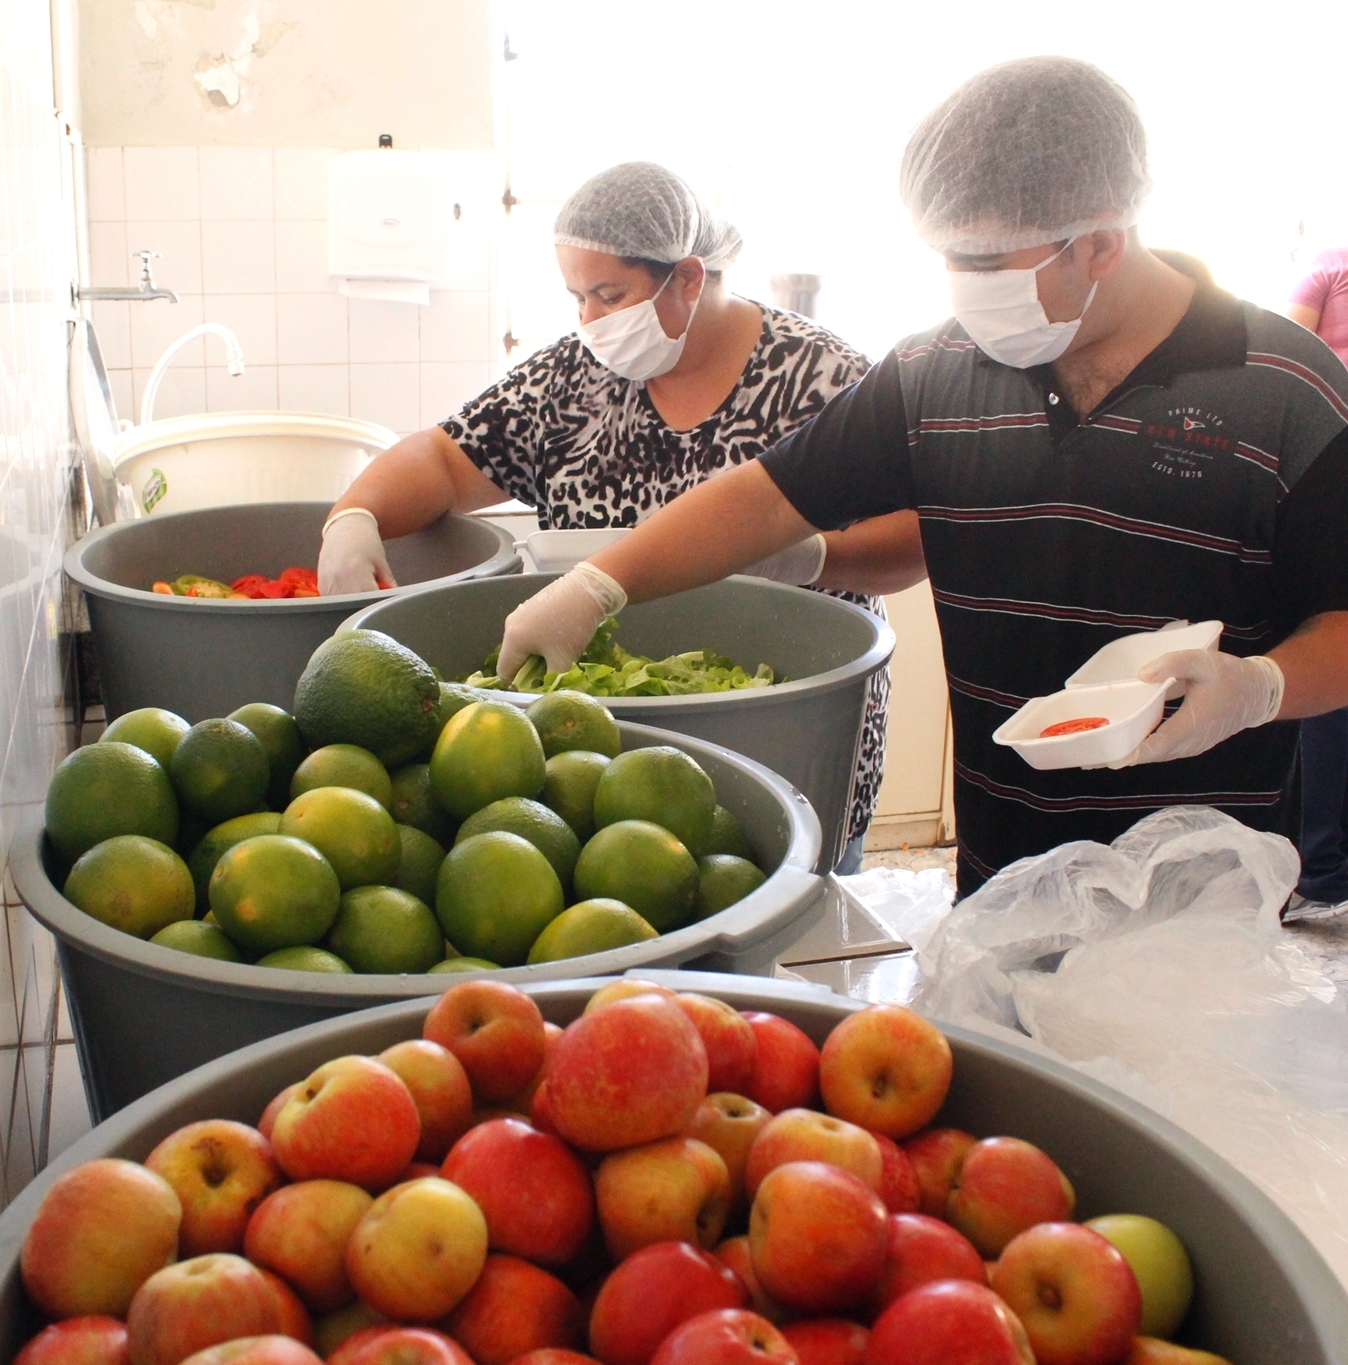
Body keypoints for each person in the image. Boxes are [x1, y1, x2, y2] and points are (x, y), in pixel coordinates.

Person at [495, 58, 1348, 897]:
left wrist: (1257, 687)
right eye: (950, 259)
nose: (964, 291)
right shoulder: (935, 373)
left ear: (1100, 242)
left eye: (989, 266)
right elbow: (764, 498)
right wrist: (595, 588)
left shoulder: (1286, 391)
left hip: (1207, 895)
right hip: (1001, 882)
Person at [318, 162, 924, 872]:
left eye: (611, 295)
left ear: (689, 278)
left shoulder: (819, 379)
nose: (590, 322)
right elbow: (447, 457)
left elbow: (922, 531)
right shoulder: (572, 381)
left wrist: (812, 555)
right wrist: (357, 513)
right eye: (577, 297)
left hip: (781, 734)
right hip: (590, 763)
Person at [1285, 250, 1348, 912]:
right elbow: (1293, 365)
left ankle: (1323, 867)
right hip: (1333, 465)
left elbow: (1293, 365)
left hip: (1331, 465)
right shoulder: (1331, 267)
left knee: (1331, 690)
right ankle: (1327, 867)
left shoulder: (1329, 267)